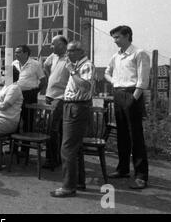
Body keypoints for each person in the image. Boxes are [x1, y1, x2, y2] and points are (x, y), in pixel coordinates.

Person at [104, 25, 151, 189]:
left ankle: (141, 176)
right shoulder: (116, 56)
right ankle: (123, 169)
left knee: (136, 136)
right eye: (114, 38)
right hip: (118, 94)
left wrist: (134, 98)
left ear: (127, 36)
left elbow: (143, 79)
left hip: (132, 95)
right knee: (122, 134)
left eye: (117, 37)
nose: (115, 40)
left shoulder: (139, 53)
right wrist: (114, 82)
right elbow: (106, 72)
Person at [50, 41, 95, 198]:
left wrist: (72, 72)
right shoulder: (78, 65)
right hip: (72, 106)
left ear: (80, 51)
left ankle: (68, 187)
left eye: (70, 51)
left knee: (67, 148)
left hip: (77, 107)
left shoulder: (85, 65)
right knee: (75, 148)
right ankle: (78, 182)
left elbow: (85, 87)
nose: (67, 54)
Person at [42, 35, 70, 169]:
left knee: (52, 128)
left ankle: (52, 159)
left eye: (53, 44)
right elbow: (45, 66)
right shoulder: (52, 57)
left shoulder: (70, 58)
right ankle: (56, 158)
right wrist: (50, 79)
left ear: (62, 45)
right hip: (49, 95)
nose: (50, 46)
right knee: (54, 128)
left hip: (61, 97)